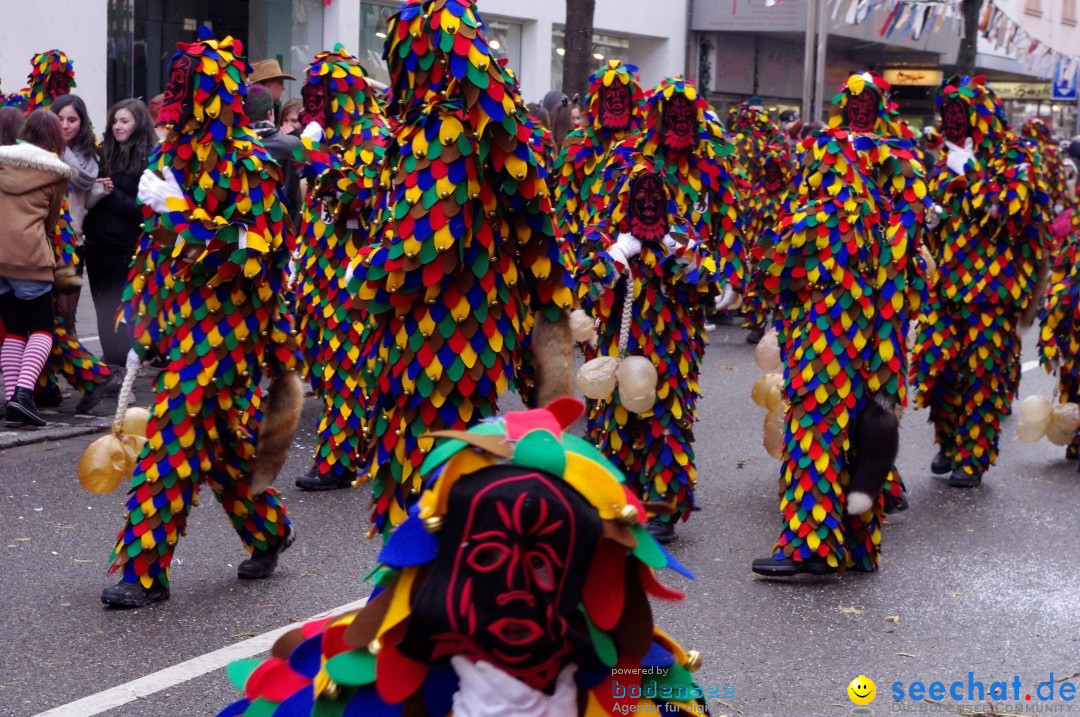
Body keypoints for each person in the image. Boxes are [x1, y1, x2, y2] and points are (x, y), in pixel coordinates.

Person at [219, 398, 709, 717]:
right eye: (490, 555)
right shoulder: (364, 685)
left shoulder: (641, 682)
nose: (514, 588)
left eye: (543, 562)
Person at [345, 0, 574, 533]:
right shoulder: (466, 130)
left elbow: (427, 247)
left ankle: (437, 598)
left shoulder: (440, 135)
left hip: (433, 343)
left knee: (428, 484)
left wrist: (360, 277)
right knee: (456, 474)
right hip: (464, 342)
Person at [100, 27, 302, 608]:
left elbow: (256, 251)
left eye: (186, 90)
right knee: (217, 447)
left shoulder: (251, 165)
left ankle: (142, 573)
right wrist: (146, 321)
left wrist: (182, 214)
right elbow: (158, 249)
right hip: (184, 326)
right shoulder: (170, 155)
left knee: (172, 444)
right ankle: (269, 529)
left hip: (230, 333)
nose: (176, 101)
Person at [750, 72, 927, 577]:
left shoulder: (821, 218)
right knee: (858, 432)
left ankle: (811, 550)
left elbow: (767, 269)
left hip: (825, 344)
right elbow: (908, 284)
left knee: (816, 435)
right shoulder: (883, 221)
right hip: (868, 344)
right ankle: (857, 547)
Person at [577, 154, 725, 544]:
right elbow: (586, 290)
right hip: (618, 347)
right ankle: (619, 500)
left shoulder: (682, 238)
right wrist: (617, 255)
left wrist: (670, 250)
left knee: (667, 425)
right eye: (639, 196)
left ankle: (662, 508)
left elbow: (707, 283)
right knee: (616, 426)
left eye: (654, 196)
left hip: (672, 351)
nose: (646, 203)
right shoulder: (602, 238)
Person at [912, 75, 1050, 488]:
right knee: (939, 369)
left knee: (983, 374)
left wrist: (969, 173)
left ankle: (972, 457)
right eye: (947, 112)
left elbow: (1011, 209)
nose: (952, 120)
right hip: (947, 284)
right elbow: (932, 217)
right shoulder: (942, 161)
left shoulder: (1014, 154)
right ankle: (949, 439)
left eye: (960, 113)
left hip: (994, 291)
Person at [289, 44, 390, 491]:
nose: (314, 104)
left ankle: (339, 458)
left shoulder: (372, 135)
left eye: (322, 94)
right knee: (318, 358)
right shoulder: (326, 136)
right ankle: (367, 439)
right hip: (317, 271)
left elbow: (357, 189)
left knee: (344, 362)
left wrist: (312, 151)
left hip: (351, 274)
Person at [0, 110, 76, 426]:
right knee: (41, 329)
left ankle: (11, 402)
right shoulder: (55, 172)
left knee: (14, 330)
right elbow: (52, 221)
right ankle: (23, 394)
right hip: (30, 258)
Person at [82, 98, 157, 365]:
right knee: (103, 310)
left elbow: (142, 209)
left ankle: (121, 368)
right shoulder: (104, 153)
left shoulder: (149, 157)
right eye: (115, 120)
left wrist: (108, 193)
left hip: (125, 248)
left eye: (124, 121)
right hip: (96, 245)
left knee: (120, 311)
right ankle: (113, 366)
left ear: (138, 123)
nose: (117, 126)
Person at [553, 60, 645, 259]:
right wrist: (567, 259)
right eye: (610, 96)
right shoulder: (576, 143)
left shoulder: (644, 146)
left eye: (622, 96)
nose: (617, 102)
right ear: (597, 101)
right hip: (584, 254)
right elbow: (565, 209)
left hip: (632, 255)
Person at [51, 94, 98, 331]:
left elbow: (85, 186)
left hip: (74, 242)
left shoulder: (89, 156)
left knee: (69, 314)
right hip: (46, 243)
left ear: (82, 123)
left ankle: (69, 358)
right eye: (59, 119)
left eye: (72, 119)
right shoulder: (43, 153)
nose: (65, 125)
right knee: (51, 311)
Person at [244, 84, 301, 224]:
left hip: (244, 229)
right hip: (283, 228)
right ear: (270, 113)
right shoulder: (292, 145)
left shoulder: (235, 146)